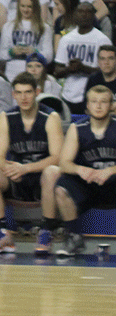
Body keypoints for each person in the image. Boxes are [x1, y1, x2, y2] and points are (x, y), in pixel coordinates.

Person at [0, 72, 63, 254]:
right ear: (13, 95)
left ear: (37, 92)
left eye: (28, 92)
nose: (24, 97)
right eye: (19, 92)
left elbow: (57, 157)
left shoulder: (50, 117)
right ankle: (3, 233)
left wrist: (26, 168)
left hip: (41, 179)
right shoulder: (6, 117)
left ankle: (46, 231)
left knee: (53, 171)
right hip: (16, 177)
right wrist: (8, 169)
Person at [41, 85, 116, 256]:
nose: (98, 106)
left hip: (113, 184)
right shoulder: (77, 128)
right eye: (94, 102)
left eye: (103, 102)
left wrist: (111, 170)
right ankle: (74, 237)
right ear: (87, 106)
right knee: (61, 189)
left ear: (111, 105)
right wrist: (80, 169)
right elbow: (64, 163)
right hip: (88, 184)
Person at [54, 2, 112, 114]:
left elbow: (108, 72)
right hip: (68, 95)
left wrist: (83, 68)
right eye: (80, 11)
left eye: (88, 12)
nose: (84, 15)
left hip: (94, 96)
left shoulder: (102, 40)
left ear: (94, 15)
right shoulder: (66, 40)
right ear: (75, 15)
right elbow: (57, 71)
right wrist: (69, 69)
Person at [0, 0, 54, 82]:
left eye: (29, 6)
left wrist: (35, 52)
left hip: (35, 74)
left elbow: (49, 56)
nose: (25, 10)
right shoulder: (8, 26)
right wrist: (12, 52)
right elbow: (1, 54)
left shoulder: (45, 28)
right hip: (12, 73)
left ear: (35, 7)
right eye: (22, 6)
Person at [85, 43, 116, 111]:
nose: (106, 62)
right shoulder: (93, 79)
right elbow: (87, 108)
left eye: (110, 58)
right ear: (98, 62)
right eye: (102, 59)